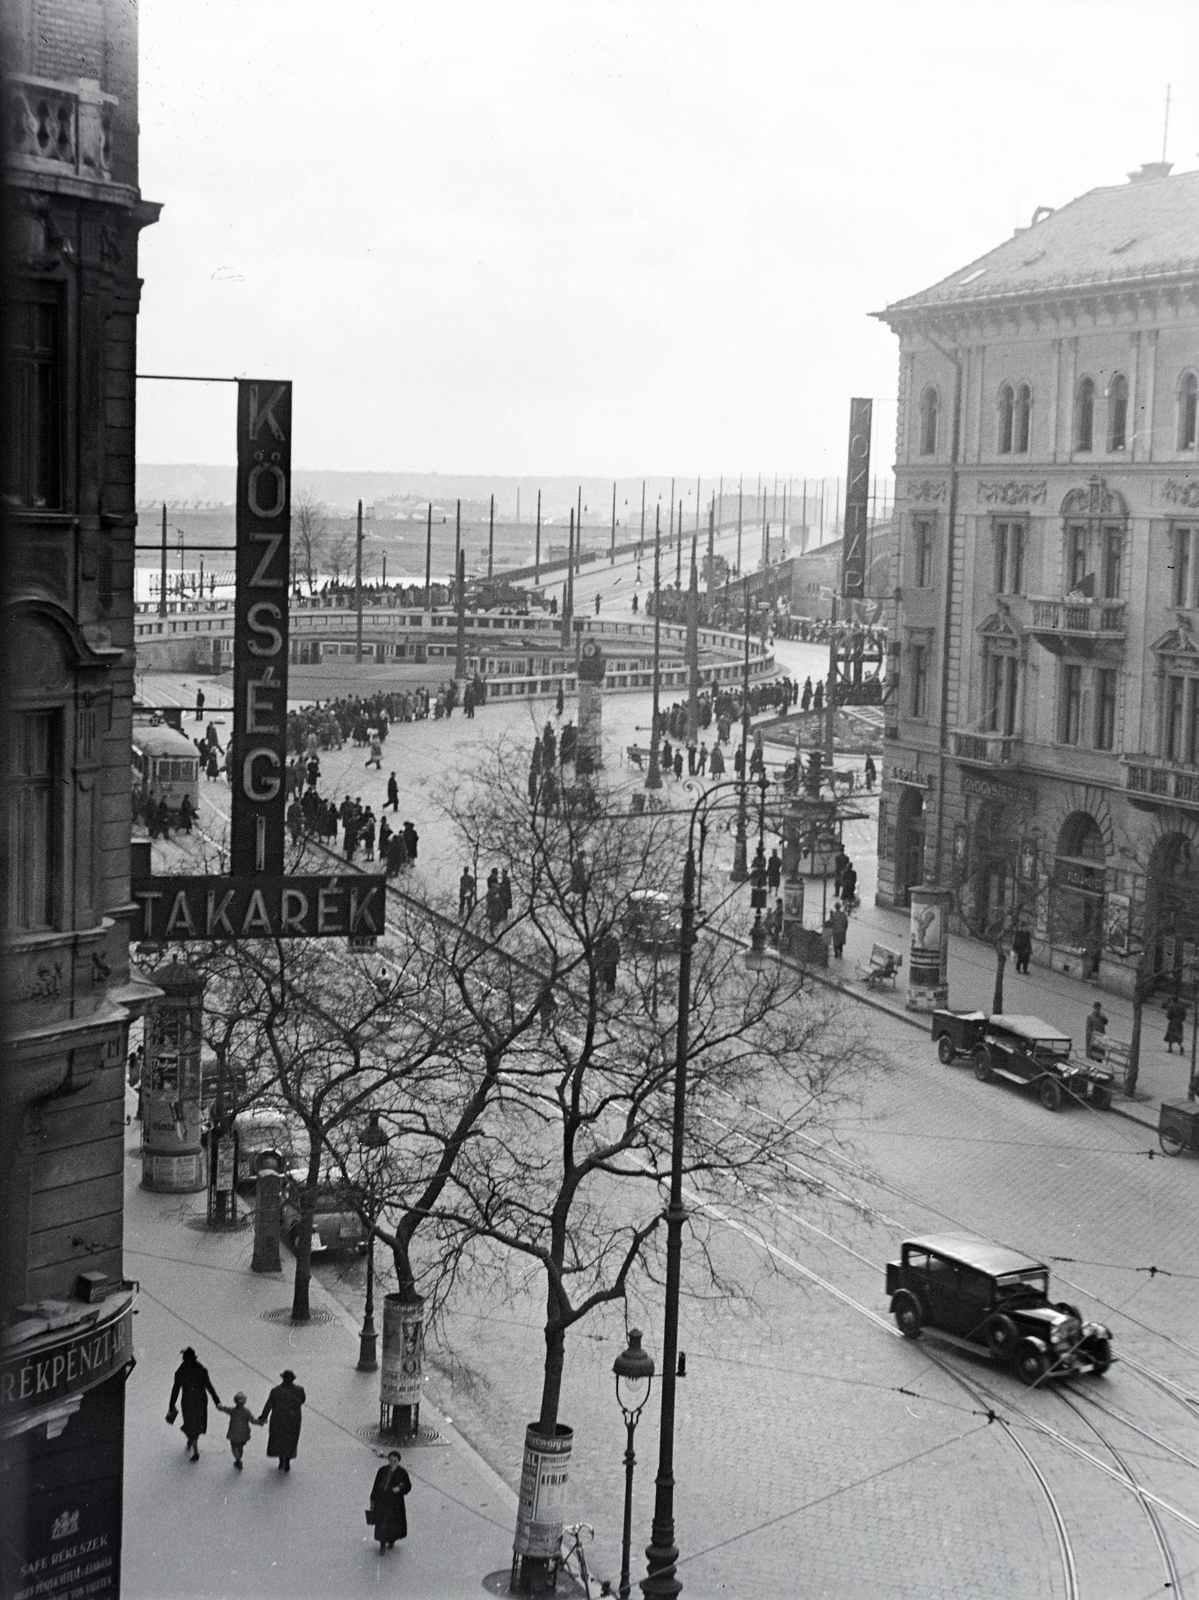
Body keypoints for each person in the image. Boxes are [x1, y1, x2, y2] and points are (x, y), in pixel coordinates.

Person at [167, 1347, 221, 1462]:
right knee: (197, 1424)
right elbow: (209, 1386)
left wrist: (171, 1405)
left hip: (188, 1401)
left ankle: (194, 1448)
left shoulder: (181, 1371)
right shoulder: (201, 1369)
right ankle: (192, 1440)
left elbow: (175, 1389)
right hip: (201, 1400)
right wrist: (216, 1401)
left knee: (190, 1423)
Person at [257, 1370, 305, 1472]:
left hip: (278, 1418)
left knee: (279, 1439)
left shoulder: (276, 1390)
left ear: (282, 1378)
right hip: (293, 1418)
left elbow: (269, 1404)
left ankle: (281, 1461)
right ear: (293, 1378)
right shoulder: (300, 1390)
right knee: (291, 1440)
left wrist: (263, 1417)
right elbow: (302, 1401)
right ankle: (287, 1461)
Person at [369, 1449, 412, 1553]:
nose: (392, 1463)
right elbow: (376, 1485)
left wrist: (400, 1489)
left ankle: (392, 1540)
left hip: (395, 1503)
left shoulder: (402, 1473)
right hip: (382, 1501)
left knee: (393, 1524)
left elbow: (408, 1486)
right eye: (391, 1460)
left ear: (398, 1461)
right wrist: (372, 1498)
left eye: (395, 1461)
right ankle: (382, 1544)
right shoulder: (382, 1470)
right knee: (382, 1524)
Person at [215, 1391, 261, 1471]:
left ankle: (238, 1460)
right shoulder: (246, 1411)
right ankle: (239, 1457)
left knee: (234, 1447)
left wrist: (220, 1406)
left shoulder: (233, 1410)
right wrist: (260, 1422)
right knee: (240, 1447)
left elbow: (225, 1409)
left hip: (234, 1432)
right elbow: (253, 1420)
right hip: (244, 1433)